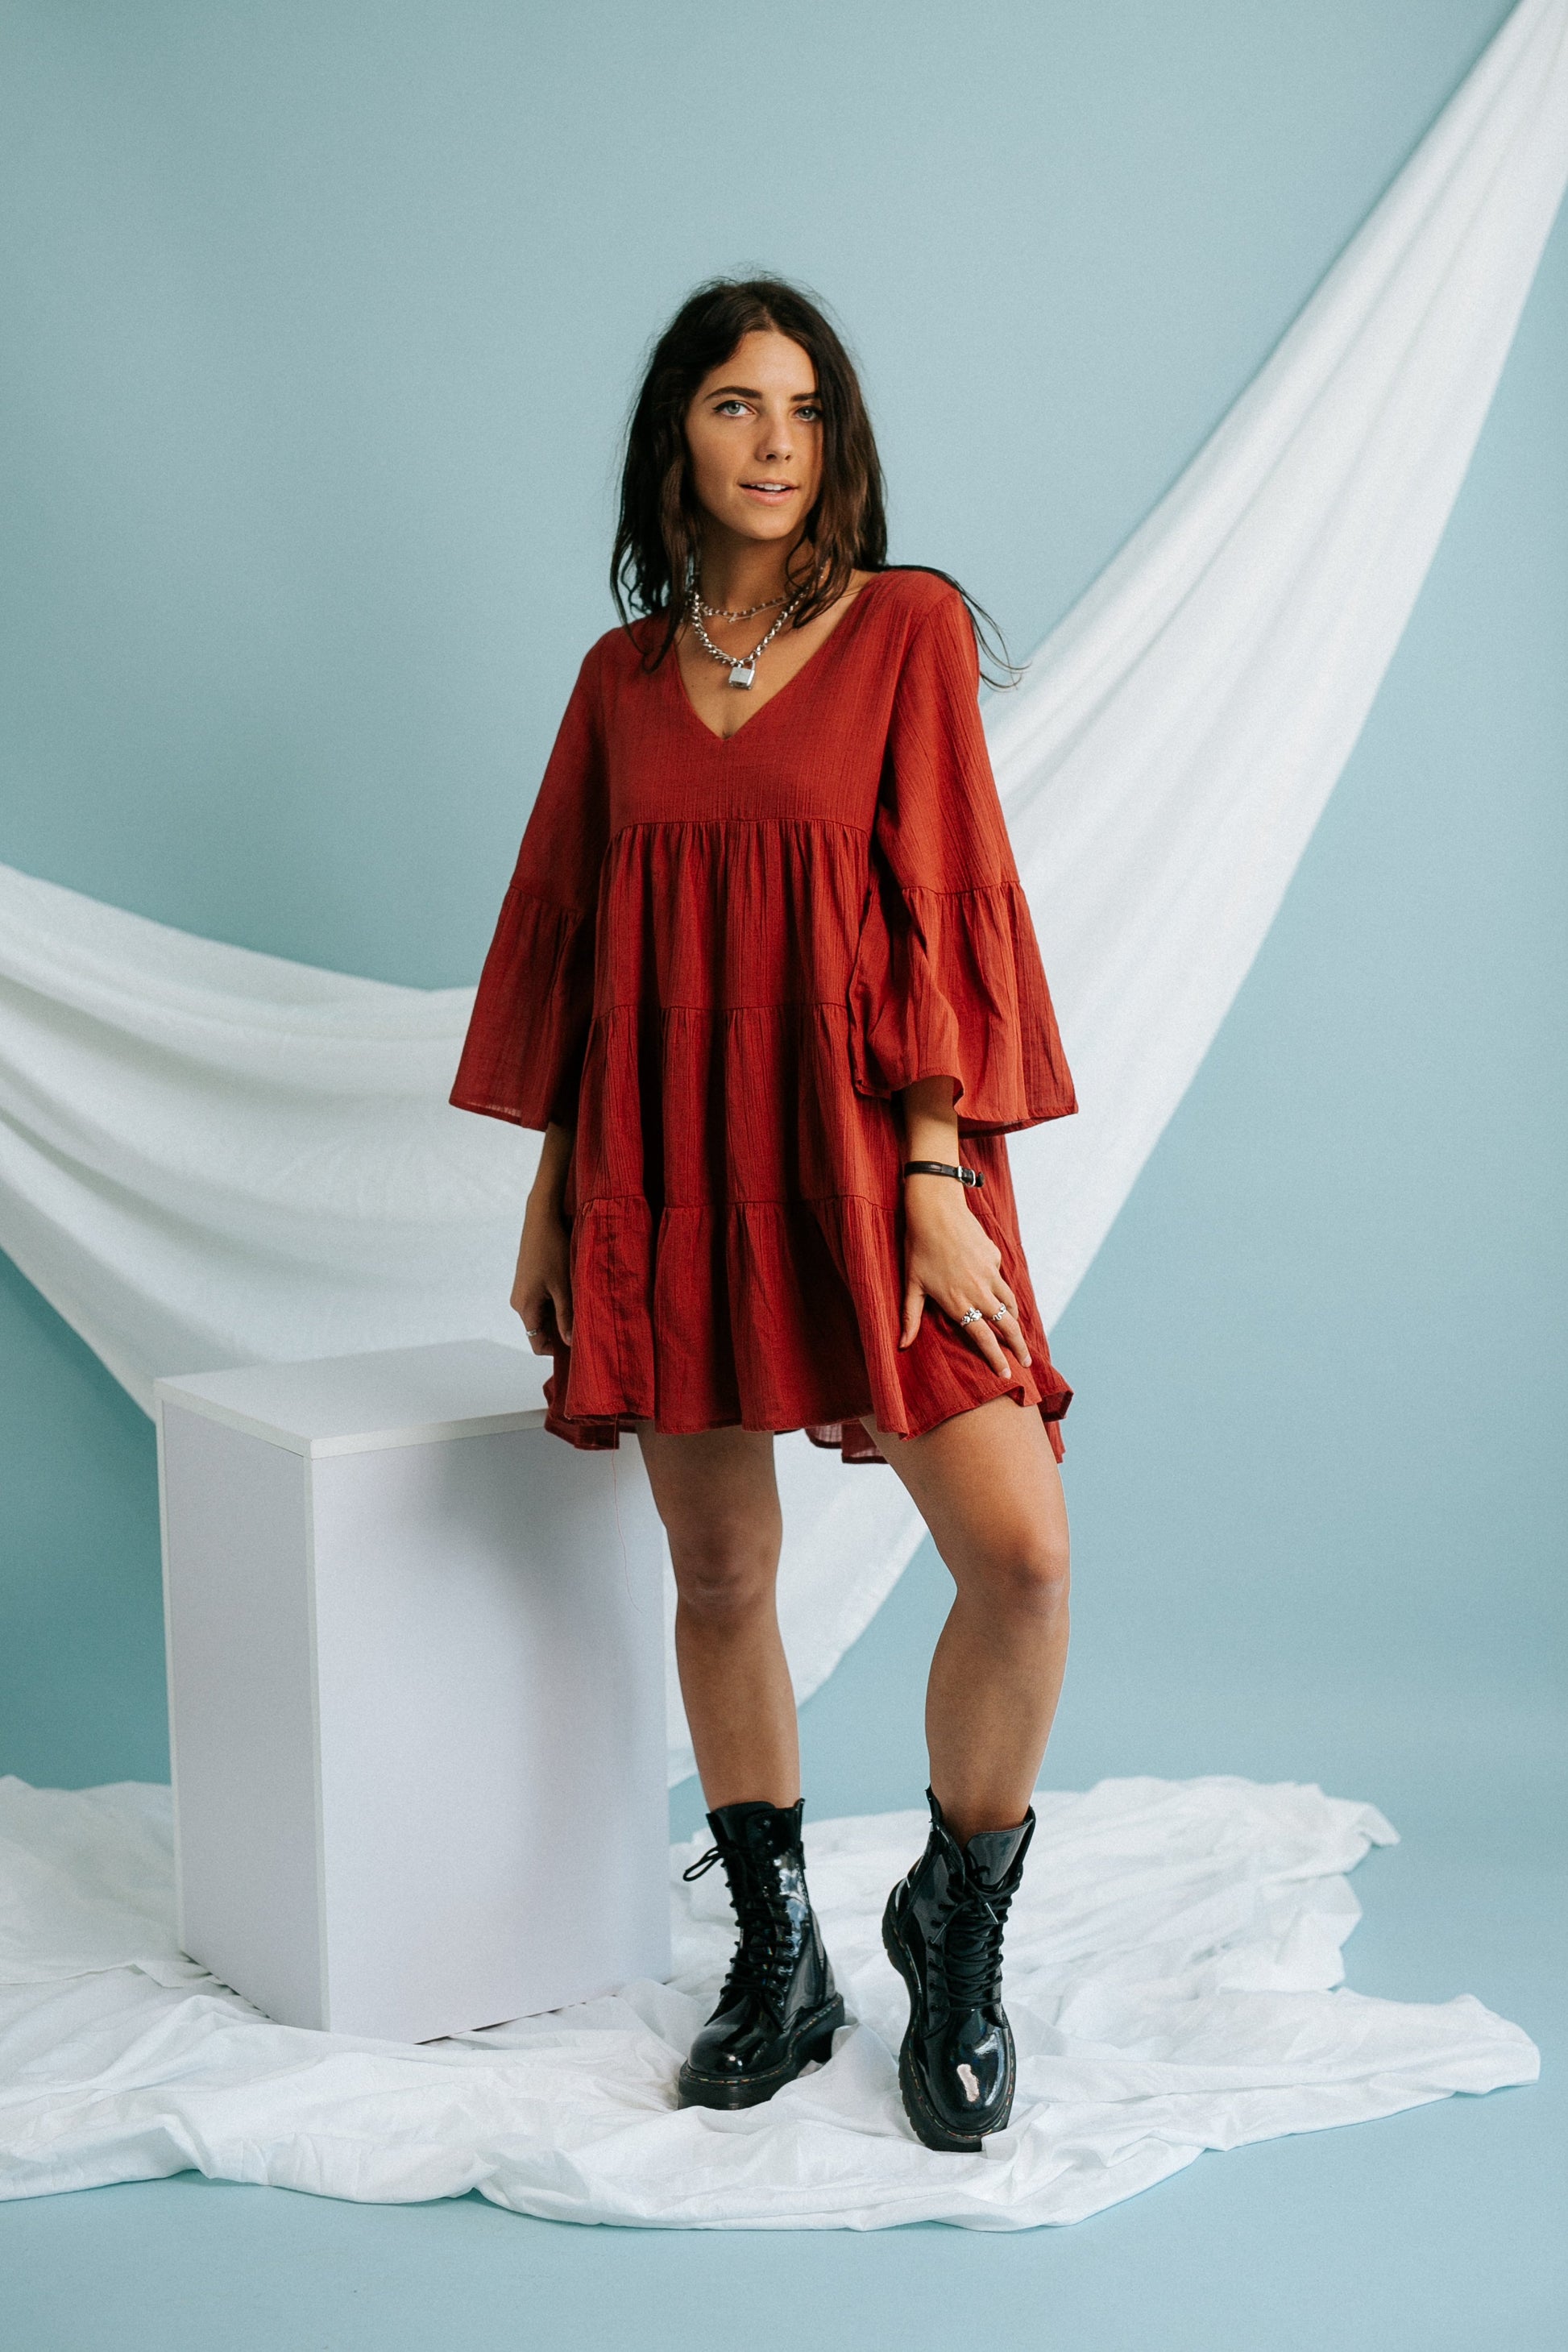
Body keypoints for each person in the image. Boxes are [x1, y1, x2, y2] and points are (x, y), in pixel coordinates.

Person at [450, 277, 1077, 2154]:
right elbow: (581, 960)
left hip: (872, 1157)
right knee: (719, 1570)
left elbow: (946, 894)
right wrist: (553, 1196)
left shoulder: (902, 631)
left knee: (1021, 1556)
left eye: (804, 407)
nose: (775, 439)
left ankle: (952, 1925)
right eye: (736, 403)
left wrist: (937, 1174)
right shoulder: (618, 684)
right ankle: (780, 1954)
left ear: (838, 441)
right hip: (663, 1164)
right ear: (678, 435)